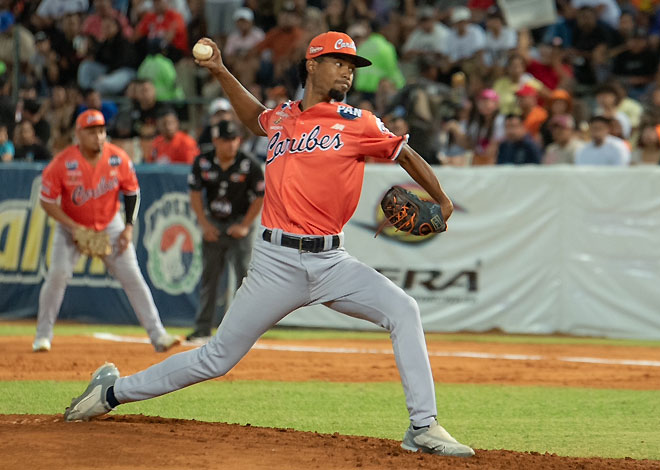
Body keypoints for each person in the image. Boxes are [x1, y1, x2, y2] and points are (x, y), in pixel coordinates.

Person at [63, 32, 475, 459]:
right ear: (312, 65)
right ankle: (111, 393)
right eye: (338, 62)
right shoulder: (282, 116)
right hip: (275, 264)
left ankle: (423, 426)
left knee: (404, 310)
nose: (348, 72)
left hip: (332, 262)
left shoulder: (359, 122)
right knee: (216, 358)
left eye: (352, 66)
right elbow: (254, 117)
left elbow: (405, 154)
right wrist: (220, 70)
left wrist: (442, 201)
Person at [32, 109, 180, 353]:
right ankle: (42, 336)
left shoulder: (118, 158)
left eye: (101, 131)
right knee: (57, 275)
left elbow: (132, 192)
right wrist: (74, 227)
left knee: (133, 277)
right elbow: (47, 201)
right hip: (71, 226)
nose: (98, 136)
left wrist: (128, 227)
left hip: (111, 225)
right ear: (78, 134)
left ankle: (158, 335)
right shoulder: (62, 163)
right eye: (91, 132)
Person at [186, 119, 264, 341]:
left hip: (239, 222)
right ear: (216, 141)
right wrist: (204, 224)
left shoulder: (249, 163)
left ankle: (246, 330)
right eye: (226, 140)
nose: (231, 144)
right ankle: (203, 328)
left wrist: (245, 225)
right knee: (209, 277)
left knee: (245, 278)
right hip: (214, 223)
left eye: (234, 139)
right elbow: (195, 194)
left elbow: (260, 196)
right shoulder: (203, 161)